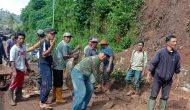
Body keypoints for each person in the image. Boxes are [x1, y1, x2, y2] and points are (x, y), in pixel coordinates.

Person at [146, 35, 180, 110]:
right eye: (173, 41)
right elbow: (153, 63)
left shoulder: (176, 55)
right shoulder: (160, 52)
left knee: (165, 97)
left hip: (168, 80)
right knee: (153, 95)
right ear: (167, 42)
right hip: (158, 78)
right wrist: (148, 74)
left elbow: (177, 68)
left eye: (176, 41)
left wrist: (178, 79)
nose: (175, 43)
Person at [52, 32, 80, 103]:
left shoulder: (63, 44)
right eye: (67, 37)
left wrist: (76, 49)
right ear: (63, 37)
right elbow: (65, 57)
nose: (68, 38)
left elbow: (69, 53)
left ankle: (54, 96)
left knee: (56, 82)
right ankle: (58, 98)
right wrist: (73, 56)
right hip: (59, 66)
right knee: (59, 82)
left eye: (69, 37)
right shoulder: (64, 45)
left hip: (57, 65)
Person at [8, 32, 31, 106]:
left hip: (22, 69)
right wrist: (14, 71)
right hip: (16, 70)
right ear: (16, 39)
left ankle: (19, 96)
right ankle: (11, 99)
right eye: (20, 38)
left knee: (20, 84)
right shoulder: (13, 49)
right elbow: (12, 61)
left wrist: (28, 67)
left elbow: (25, 59)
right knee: (13, 84)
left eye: (23, 38)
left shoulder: (24, 48)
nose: (22, 40)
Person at [39, 28, 56, 109]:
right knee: (48, 84)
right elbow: (44, 54)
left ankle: (43, 100)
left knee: (45, 83)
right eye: (52, 34)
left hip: (47, 64)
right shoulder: (44, 42)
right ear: (47, 34)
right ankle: (42, 102)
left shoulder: (48, 42)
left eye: (54, 34)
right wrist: (52, 46)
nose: (53, 35)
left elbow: (49, 54)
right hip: (44, 65)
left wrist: (52, 61)